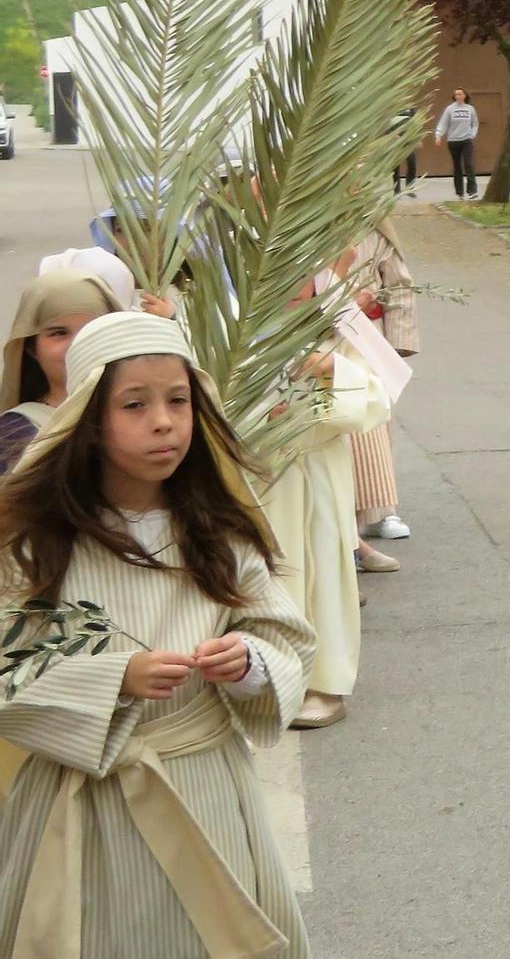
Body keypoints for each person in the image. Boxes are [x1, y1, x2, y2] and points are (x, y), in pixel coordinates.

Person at [0, 311, 316, 958]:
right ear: (88, 419)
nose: (164, 422)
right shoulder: (37, 543)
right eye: (135, 405)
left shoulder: (220, 534)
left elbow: (284, 637)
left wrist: (249, 659)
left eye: (177, 401)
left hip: (205, 786)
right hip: (85, 800)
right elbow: (9, 665)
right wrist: (116, 678)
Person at [260, 278, 393, 729]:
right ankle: (264, 679)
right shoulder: (238, 313)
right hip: (256, 464)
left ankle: (324, 682)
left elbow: (374, 398)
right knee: (263, 569)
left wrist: (332, 368)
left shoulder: (339, 321)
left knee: (322, 568)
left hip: (317, 463)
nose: (293, 285)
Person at [1, 270, 123, 475]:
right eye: (59, 333)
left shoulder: (151, 413)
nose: (77, 345)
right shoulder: (16, 432)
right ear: (32, 348)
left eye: (92, 329)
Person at [344, 223, 420, 545]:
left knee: (376, 417)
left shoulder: (376, 222)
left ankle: (380, 509)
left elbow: (398, 282)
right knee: (339, 421)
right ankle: (345, 513)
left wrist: (399, 341)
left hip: (370, 333)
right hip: (325, 332)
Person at [434, 88, 479, 200]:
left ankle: (472, 191)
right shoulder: (450, 109)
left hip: (466, 140)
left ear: (464, 95)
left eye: (460, 94)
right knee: (457, 166)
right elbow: (443, 124)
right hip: (453, 141)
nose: (458, 96)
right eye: (456, 94)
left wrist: (472, 134)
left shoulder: (470, 109)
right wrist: (438, 135)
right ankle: (460, 192)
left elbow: (475, 124)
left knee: (468, 164)